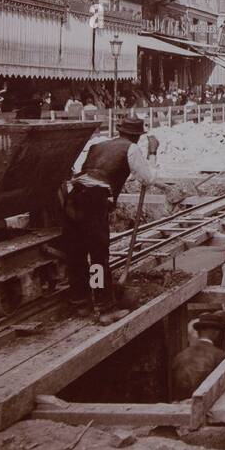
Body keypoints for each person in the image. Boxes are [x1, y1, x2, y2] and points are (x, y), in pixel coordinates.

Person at [61, 116, 183, 323]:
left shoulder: (97, 146)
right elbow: (147, 178)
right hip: (94, 201)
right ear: (137, 136)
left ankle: (80, 302)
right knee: (98, 256)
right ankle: (104, 308)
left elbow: (89, 173)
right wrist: (153, 152)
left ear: (120, 131)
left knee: (77, 252)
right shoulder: (131, 148)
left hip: (73, 198)